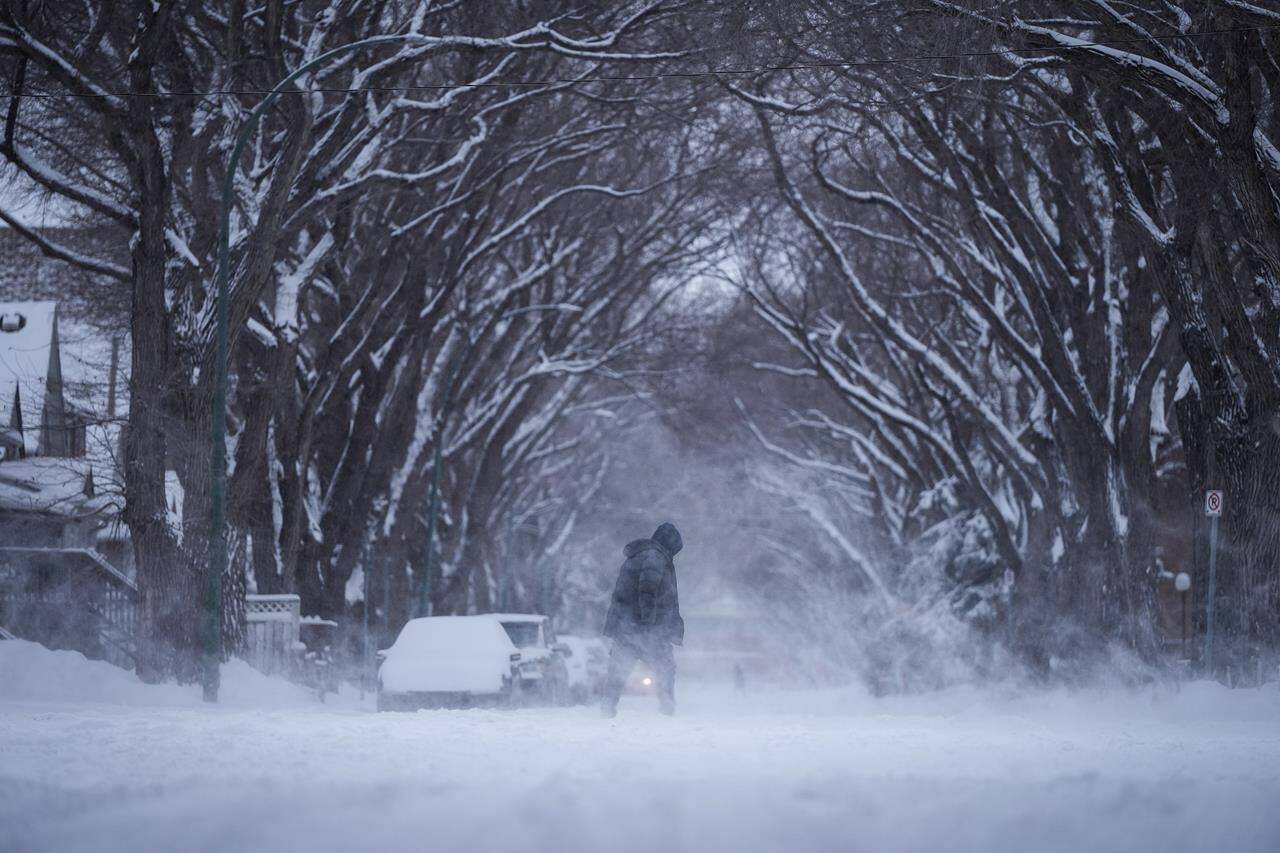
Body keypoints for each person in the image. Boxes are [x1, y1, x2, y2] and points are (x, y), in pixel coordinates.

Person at [601, 522, 684, 717]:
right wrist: (649, 623)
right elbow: (647, 589)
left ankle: (607, 706)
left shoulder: (640, 556)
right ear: (669, 544)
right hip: (646, 628)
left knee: (618, 670)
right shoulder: (654, 557)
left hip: (626, 627)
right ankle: (667, 707)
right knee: (665, 667)